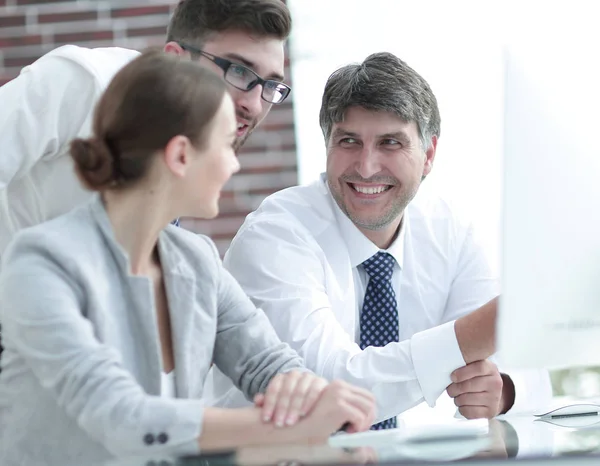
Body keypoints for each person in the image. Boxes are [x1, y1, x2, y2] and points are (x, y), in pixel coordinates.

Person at [0, 50, 376, 466]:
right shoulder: (41, 263)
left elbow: (267, 363)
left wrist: (313, 399)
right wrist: (294, 430)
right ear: (180, 155)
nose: (234, 164)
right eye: (226, 145)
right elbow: (120, 418)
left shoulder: (197, 260)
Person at [206, 52, 553, 428]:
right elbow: (328, 389)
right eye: (349, 141)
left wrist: (501, 389)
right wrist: (473, 337)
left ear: (429, 154)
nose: (367, 166)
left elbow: (529, 369)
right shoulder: (275, 235)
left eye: (390, 143)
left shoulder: (448, 229)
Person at [0, 0, 293, 363]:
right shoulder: (85, 81)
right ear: (174, 58)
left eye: (270, 86)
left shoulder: (186, 175)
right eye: (238, 71)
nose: (253, 103)